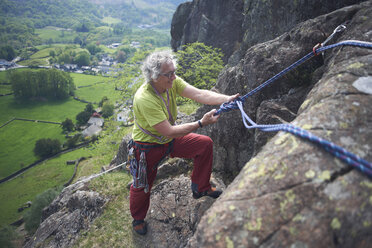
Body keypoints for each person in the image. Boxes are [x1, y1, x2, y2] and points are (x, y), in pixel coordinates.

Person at [129, 50, 239, 235]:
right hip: (147, 146)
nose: (174, 76)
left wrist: (227, 99)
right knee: (142, 184)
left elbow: (199, 94)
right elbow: (169, 131)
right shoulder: (145, 98)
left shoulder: (171, 82)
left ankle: (200, 187)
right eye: (169, 73)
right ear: (155, 76)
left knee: (204, 144)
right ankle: (138, 219)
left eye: (174, 71)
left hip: (168, 140)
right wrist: (200, 123)